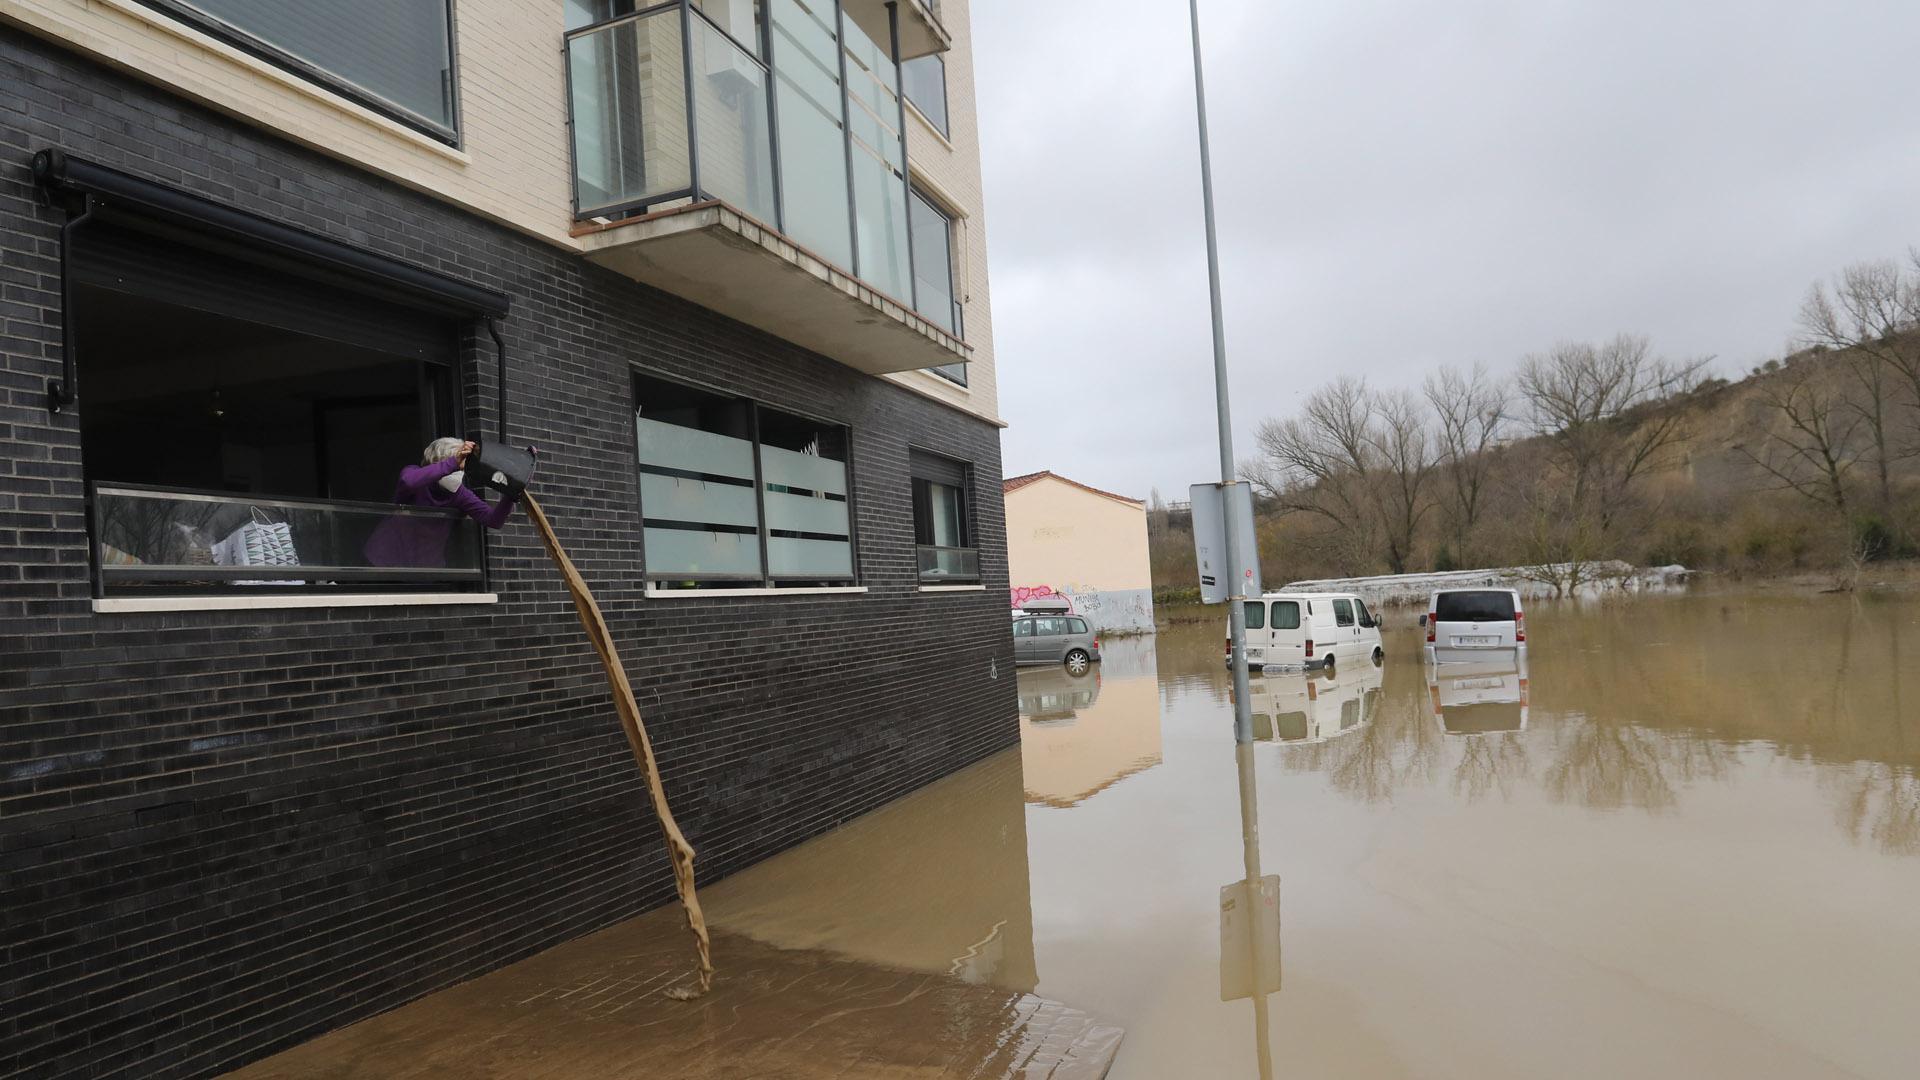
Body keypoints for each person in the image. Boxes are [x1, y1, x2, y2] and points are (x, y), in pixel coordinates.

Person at [364, 437, 517, 568]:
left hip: (426, 570)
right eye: (458, 463)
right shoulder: (414, 473)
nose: (459, 471)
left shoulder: (458, 494)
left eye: (463, 466)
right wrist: (452, 464)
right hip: (384, 561)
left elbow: (493, 519)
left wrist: (512, 492)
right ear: (436, 462)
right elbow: (408, 481)